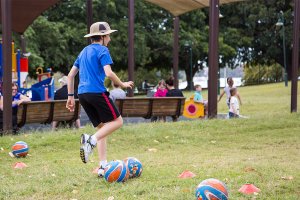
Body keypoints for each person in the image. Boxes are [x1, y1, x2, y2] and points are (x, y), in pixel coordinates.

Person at [66, 22, 134, 178]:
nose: (109, 38)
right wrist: (122, 84)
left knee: (103, 128)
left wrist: (70, 97)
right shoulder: (103, 50)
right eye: (108, 35)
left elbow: (70, 76)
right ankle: (91, 140)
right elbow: (109, 73)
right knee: (118, 122)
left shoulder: (83, 52)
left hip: (82, 95)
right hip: (97, 93)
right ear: (102, 37)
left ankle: (103, 166)